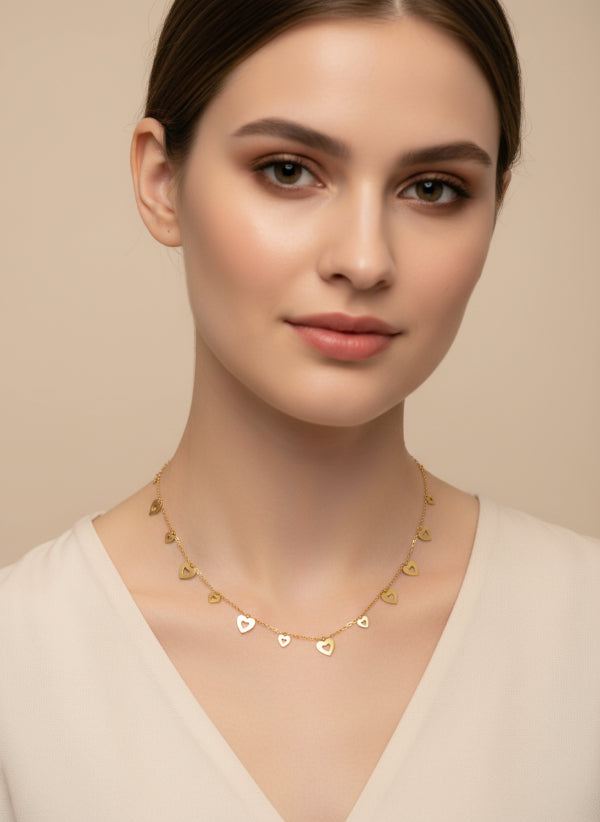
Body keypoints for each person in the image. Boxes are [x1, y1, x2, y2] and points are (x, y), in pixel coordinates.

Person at [1, 1, 598, 820]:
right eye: (289, 170)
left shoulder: (583, 634)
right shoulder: (20, 658)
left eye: (434, 188)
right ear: (161, 180)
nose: (363, 258)